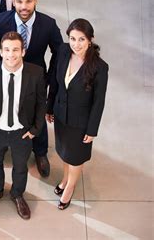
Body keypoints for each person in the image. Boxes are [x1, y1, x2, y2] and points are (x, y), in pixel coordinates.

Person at [0, 0, 63, 177]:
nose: (24, 6)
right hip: (6, 74)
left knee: (38, 112)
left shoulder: (48, 24)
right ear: (13, 1)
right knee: (3, 108)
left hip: (35, 78)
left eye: (29, 1)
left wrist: (50, 76)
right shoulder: (1, 20)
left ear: (35, 0)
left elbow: (59, 53)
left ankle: (40, 152)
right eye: (19, 1)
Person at [0, 32, 46, 220]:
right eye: (6, 50)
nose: (11, 54)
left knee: (20, 167)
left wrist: (35, 130)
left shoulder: (36, 73)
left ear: (23, 51)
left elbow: (41, 103)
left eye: (15, 50)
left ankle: (17, 194)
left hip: (22, 132)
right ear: (0, 51)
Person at [46, 19, 108, 210]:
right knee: (65, 152)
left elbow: (99, 102)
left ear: (90, 40)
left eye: (81, 39)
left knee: (76, 157)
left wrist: (92, 129)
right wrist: (50, 107)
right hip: (61, 115)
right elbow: (55, 83)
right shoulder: (64, 51)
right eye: (72, 38)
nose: (76, 44)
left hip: (81, 123)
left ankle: (70, 186)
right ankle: (65, 179)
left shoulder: (99, 67)